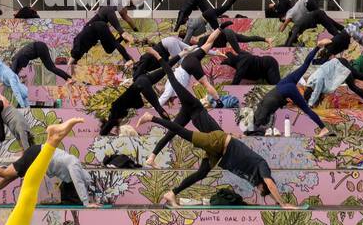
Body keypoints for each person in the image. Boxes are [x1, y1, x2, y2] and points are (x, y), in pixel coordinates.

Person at [148, 116, 294, 208]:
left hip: (218, 152)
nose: (258, 189)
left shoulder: (256, 177)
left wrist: (276, 203)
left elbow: (268, 188)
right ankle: (152, 118)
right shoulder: (263, 166)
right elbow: (270, 184)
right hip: (218, 141)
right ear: (264, 184)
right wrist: (283, 204)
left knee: (201, 174)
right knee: (184, 133)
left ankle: (172, 193)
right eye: (261, 189)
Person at [137, 65, 222, 162]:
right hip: (194, 106)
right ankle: (151, 118)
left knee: (172, 131)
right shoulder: (178, 75)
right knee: (174, 83)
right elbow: (170, 87)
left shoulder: (217, 146)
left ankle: (151, 158)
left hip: (193, 110)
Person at [0, 142, 96, 207]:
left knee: (11, 174)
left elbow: (77, 184)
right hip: (38, 154)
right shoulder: (75, 165)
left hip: (38, 154)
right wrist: (86, 203)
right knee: (7, 173)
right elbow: (79, 183)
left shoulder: (73, 169)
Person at [246, 48, 329, 136]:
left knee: (306, 110)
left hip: (278, 94)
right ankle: (323, 128)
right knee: (305, 65)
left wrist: (248, 133)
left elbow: (261, 117)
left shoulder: (262, 108)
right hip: (282, 88)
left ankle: (324, 128)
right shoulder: (264, 104)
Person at [98, 58, 173, 136]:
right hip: (142, 81)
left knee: (158, 107)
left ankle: (171, 126)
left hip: (140, 85)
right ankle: (180, 55)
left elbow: (105, 130)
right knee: (164, 70)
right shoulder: (115, 110)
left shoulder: (114, 116)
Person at [70, 14, 134, 64]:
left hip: (99, 28)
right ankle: (122, 37)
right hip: (99, 29)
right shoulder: (79, 48)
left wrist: (69, 66)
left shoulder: (76, 49)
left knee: (114, 44)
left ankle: (128, 60)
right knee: (109, 50)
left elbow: (72, 59)